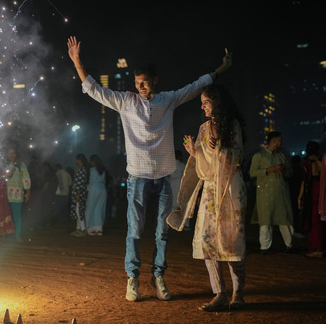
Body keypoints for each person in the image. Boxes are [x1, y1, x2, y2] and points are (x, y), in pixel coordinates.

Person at [67, 36, 232, 302]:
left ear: (155, 80)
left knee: (162, 232)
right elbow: (95, 89)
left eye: (144, 82)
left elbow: (196, 86)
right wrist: (77, 62)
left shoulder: (168, 99)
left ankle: (159, 277)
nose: (140, 87)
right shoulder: (125, 101)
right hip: (137, 179)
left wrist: (222, 69)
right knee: (134, 231)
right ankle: (132, 279)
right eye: (136, 83)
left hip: (164, 178)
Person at [168, 84, 247, 311]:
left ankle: (237, 294)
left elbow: (238, 155)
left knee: (232, 240)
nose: (202, 106)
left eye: (205, 102)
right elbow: (204, 168)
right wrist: (196, 152)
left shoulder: (232, 126)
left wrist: (220, 148)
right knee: (207, 241)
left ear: (217, 102)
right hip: (211, 190)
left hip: (230, 188)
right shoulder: (203, 128)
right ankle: (220, 293)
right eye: (201, 102)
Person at [249, 131, 294, 254]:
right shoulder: (260, 156)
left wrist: (284, 170)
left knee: (284, 219)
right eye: (279, 140)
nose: (281, 142)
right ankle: (265, 247)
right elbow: (252, 172)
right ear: (273, 141)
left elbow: (290, 173)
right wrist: (269, 170)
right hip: (265, 194)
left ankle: (289, 245)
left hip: (281, 193)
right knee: (266, 221)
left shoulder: (282, 156)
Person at [298, 141, 325, 258]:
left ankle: (315, 248)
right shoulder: (321, 163)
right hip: (321, 192)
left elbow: (304, 182)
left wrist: (299, 197)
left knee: (313, 222)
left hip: (311, 194)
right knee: (319, 222)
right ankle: (318, 247)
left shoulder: (305, 164)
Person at [5, 146, 31, 243]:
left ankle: (17, 235)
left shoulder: (21, 165)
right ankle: (6, 235)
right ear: (7, 155)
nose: (11, 155)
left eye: (13, 153)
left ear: (16, 154)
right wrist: (6, 175)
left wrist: (27, 191)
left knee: (17, 216)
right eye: (9, 153)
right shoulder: (4, 165)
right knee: (6, 216)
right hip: (6, 195)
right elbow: (1, 177)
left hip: (17, 194)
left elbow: (26, 177)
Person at [85, 155, 108, 236]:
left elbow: (89, 181)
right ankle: (99, 229)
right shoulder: (102, 170)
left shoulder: (91, 170)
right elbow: (104, 181)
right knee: (99, 209)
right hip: (102, 189)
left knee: (90, 208)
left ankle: (90, 228)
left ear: (92, 161)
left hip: (93, 189)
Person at [70, 154, 88, 237]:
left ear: (79, 160)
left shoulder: (82, 170)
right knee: (77, 210)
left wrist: (78, 194)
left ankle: (83, 229)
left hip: (79, 193)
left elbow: (80, 184)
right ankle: (78, 229)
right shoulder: (82, 169)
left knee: (78, 211)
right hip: (79, 192)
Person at [170, 150, 188, 229]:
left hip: (172, 187)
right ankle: (185, 225)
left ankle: (171, 224)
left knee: (172, 208)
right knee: (183, 208)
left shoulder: (171, 165)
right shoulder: (182, 165)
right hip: (181, 187)